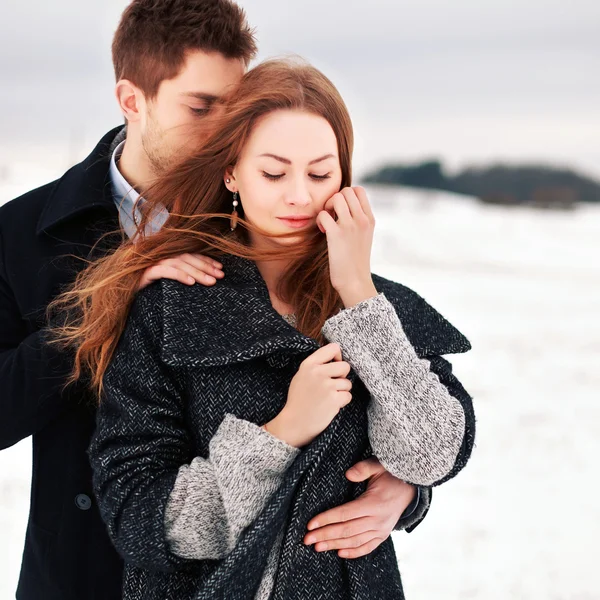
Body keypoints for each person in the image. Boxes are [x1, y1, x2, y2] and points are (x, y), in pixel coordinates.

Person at [0, 1, 430, 598]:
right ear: (132, 100)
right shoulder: (23, 233)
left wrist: (405, 485)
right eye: (203, 108)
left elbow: (367, 392)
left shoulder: (268, 215)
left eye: (237, 108)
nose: (228, 129)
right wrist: (110, 301)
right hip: (85, 564)